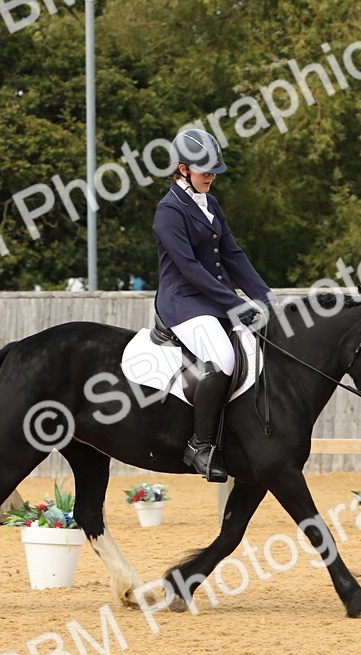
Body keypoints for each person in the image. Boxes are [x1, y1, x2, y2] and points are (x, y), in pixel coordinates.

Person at [152, 128, 277, 482]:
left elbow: (233, 255)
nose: (210, 176)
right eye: (203, 170)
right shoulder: (168, 212)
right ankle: (200, 446)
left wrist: (267, 298)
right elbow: (190, 269)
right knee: (223, 358)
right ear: (182, 168)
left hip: (214, 300)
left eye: (213, 171)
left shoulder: (211, 204)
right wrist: (236, 303)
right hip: (183, 303)